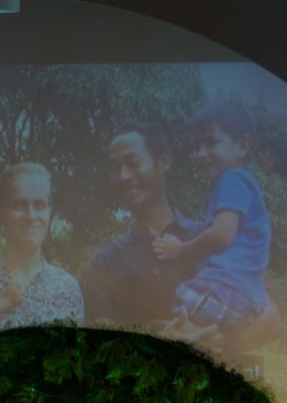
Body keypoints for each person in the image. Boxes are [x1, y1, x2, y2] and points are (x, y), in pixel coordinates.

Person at [82, 120, 280, 355]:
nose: (123, 176)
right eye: (114, 169)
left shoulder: (211, 239)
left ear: (164, 161)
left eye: (133, 163)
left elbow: (271, 321)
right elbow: (99, 348)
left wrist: (214, 344)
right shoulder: (104, 262)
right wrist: (159, 344)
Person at [153, 102, 271, 334]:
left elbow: (221, 236)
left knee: (179, 302)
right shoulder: (242, 184)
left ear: (241, 146)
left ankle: (186, 333)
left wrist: (180, 250)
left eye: (210, 143)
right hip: (247, 299)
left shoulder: (232, 178)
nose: (200, 153)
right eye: (195, 147)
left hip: (225, 288)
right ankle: (200, 336)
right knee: (180, 324)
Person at [0, 162, 84, 331]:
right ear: (0, 214)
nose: (31, 216)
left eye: (39, 205)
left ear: (49, 211)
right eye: (19, 206)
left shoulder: (67, 288)